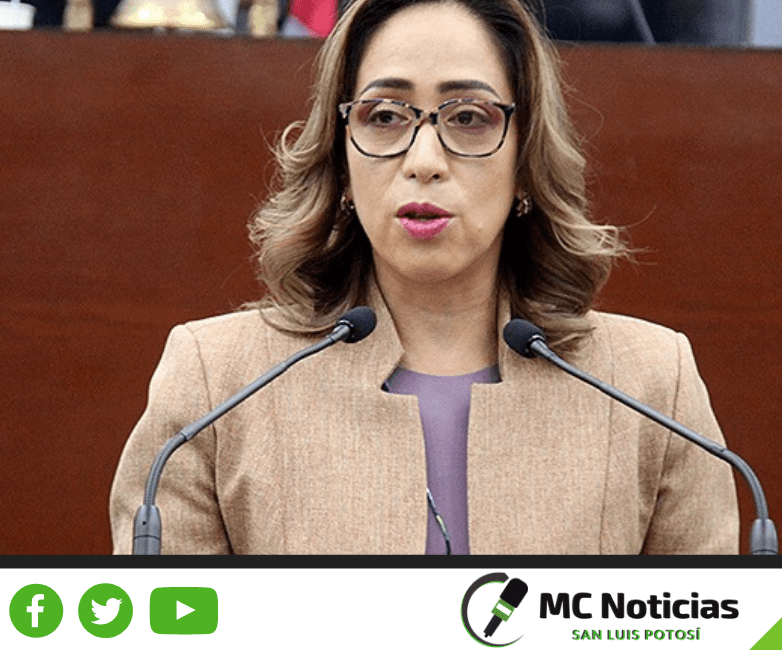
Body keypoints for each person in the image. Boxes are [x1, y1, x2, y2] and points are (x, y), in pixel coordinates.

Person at [109, 0, 738, 554]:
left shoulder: (650, 385)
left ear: (526, 161)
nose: (425, 161)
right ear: (341, 155)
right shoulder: (217, 383)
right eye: (385, 116)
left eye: (469, 118)